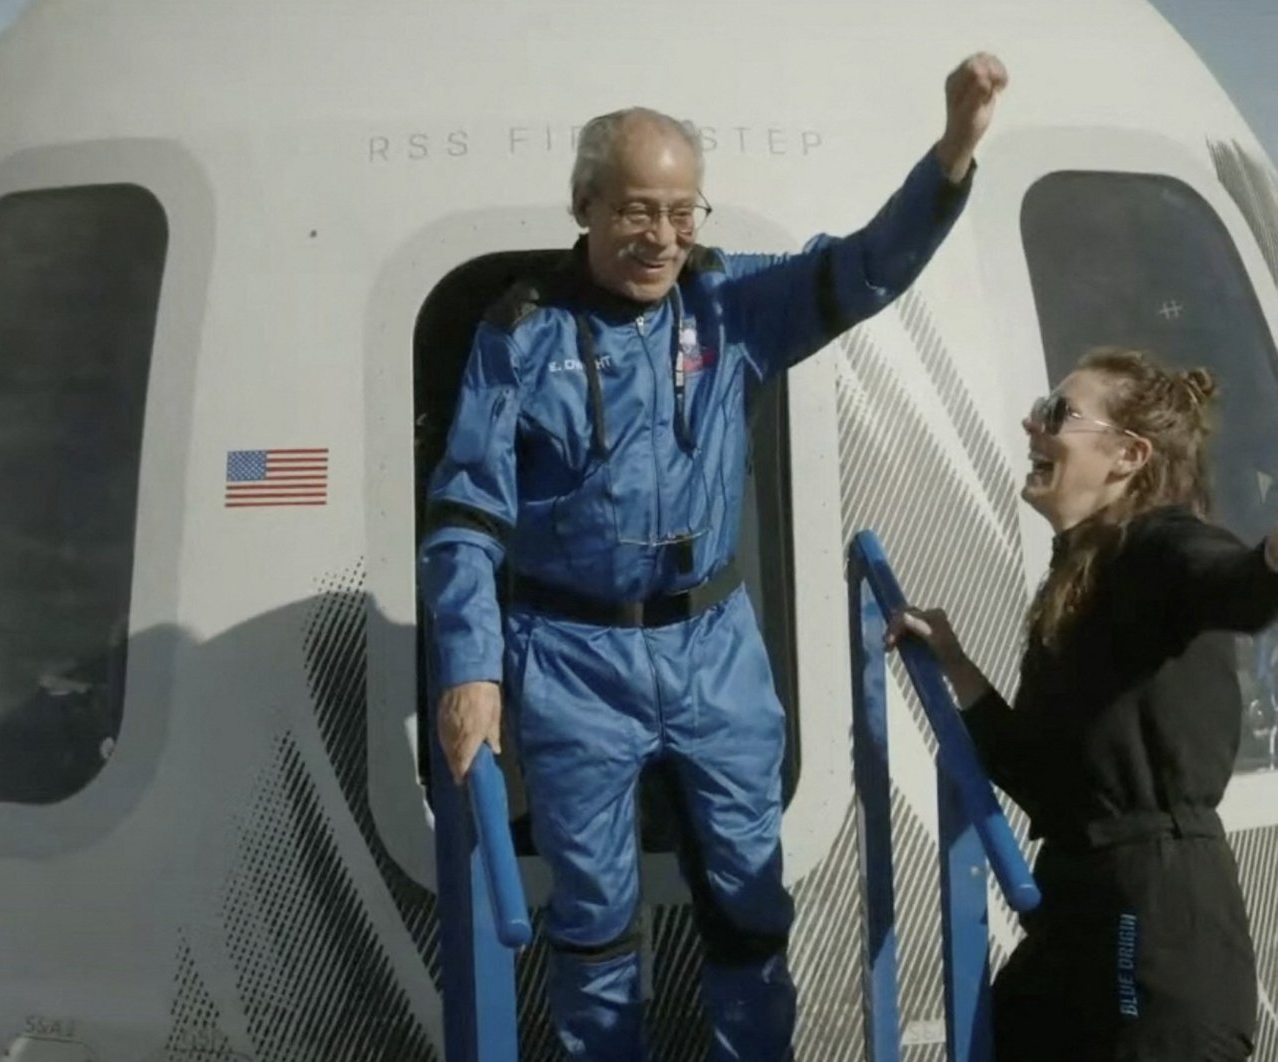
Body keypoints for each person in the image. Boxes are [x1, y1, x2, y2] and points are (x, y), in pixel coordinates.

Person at [419, 54, 1008, 1061]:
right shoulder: (520, 333)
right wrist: (471, 669)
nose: (662, 237)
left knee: (748, 904)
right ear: (587, 205)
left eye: (682, 212)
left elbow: (866, 266)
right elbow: (468, 513)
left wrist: (952, 152)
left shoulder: (734, 307)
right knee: (594, 918)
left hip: (712, 650)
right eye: (639, 211)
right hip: (571, 659)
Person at [889, 348, 1278, 1060]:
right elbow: (1047, 778)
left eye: (1057, 413)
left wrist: (1269, 562)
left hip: (1155, 919)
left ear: (1128, 455)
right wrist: (954, 664)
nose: (1032, 423)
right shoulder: (1082, 577)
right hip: (1082, 898)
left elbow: (1237, 585)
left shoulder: (1159, 546)